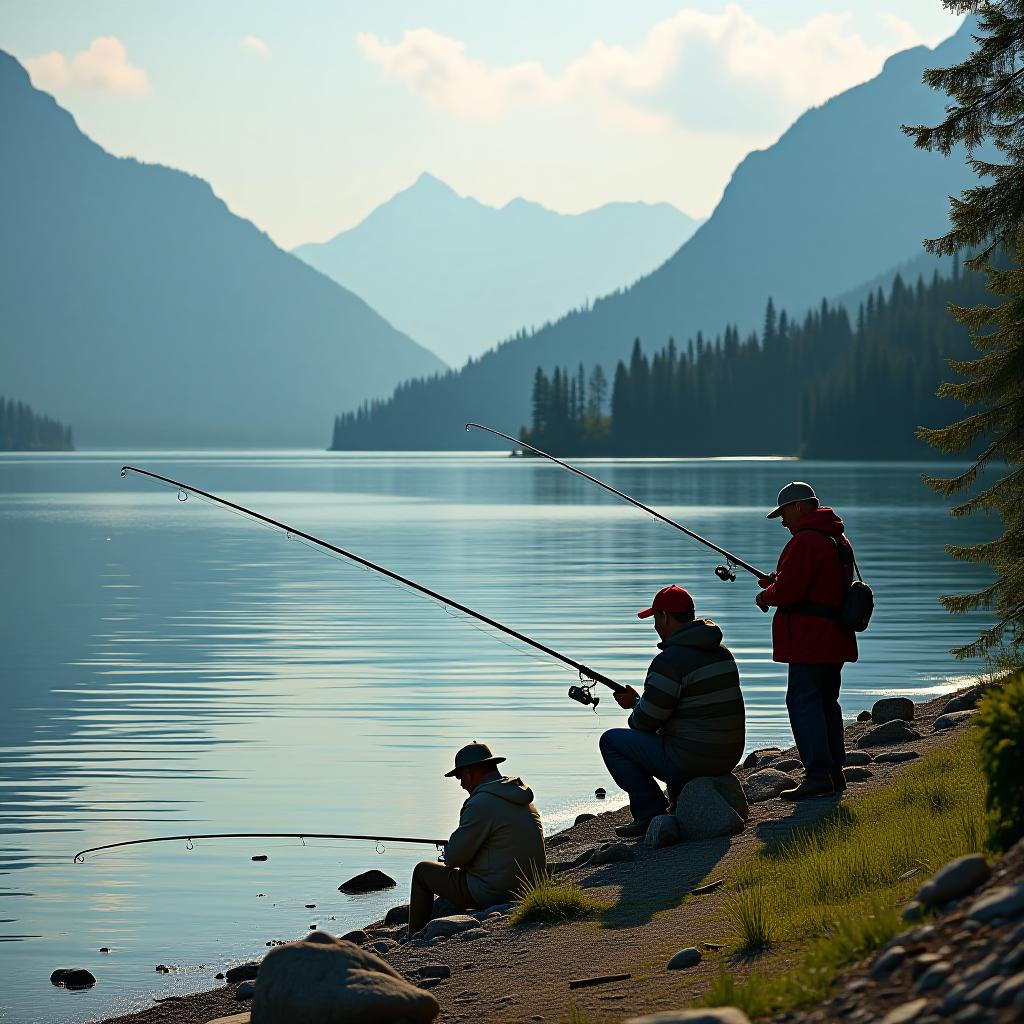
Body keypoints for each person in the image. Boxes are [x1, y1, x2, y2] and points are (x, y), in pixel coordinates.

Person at [599, 585, 745, 838]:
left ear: (665, 617)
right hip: (728, 754)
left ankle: (650, 813)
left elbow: (644, 722)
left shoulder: (669, 661)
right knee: (676, 734)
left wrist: (634, 707)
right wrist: (637, 702)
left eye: (656, 618)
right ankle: (679, 803)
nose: (655, 626)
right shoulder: (721, 653)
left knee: (611, 741)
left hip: (694, 757)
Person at [755, 481, 858, 800]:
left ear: (799, 506)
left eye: (784, 513)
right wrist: (779, 581)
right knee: (826, 702)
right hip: (834, 638)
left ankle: (816, 774)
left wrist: (767, 594)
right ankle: (833, 772)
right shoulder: (836, 537)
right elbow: (815, 584)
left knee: (802, 701)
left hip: (811, 639)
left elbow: (789, 592)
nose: (782, 520)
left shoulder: (805, 541)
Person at [407, 742, 545, 936]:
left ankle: (414, 937)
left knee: (422, 871)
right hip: (531, 886)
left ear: (470, 772)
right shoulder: (520, 796)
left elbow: (455, 858)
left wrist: (449, 853)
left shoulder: (480, 803)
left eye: (460, 777)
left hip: (496, 892)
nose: (462, 784)